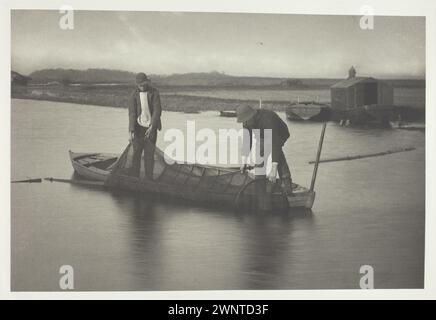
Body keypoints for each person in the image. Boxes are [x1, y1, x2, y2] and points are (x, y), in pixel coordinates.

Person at [236, 105, 293, 195]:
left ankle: (286, 184)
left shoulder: (267, 119)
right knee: (260, 155)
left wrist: (273, 169)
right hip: (262, 135)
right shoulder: (246, 122)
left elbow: (275, 143)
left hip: (280, 133)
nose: (245, 123)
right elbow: (247, 141)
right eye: (244, 121)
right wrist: (244, 161)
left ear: (252, 116)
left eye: (247, 120)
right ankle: (260, 183)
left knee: (277, 154)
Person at [128, 73, 162, 179]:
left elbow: (157, 110)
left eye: (143, 84)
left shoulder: (154, 92)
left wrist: (152, 126)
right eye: (139, 85)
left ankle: (148, 179)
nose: (142, 86)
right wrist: (131, 131)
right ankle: (134, 178)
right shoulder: (133, 95)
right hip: (138, 128)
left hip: (151, 127)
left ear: (147, 82)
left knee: (149, 155)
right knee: (136, 154)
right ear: (137, 84)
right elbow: (132, 113)